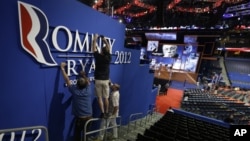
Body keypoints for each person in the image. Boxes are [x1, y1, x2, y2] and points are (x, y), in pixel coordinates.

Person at [60, 62, 92, 141]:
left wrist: (62, 68)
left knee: (77, 136)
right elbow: (88, 81)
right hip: (89, 118)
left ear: (77, 85)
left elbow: (67, 80)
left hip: (81, 119)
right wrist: (83, 75)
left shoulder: (74, 91)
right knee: (86, 136)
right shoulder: (88, 90)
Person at [92, 34, 112, 118]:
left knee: (99, 98)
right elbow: (108, 47)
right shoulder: (109, 58)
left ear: (102, 52)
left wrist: (95, 39)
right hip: (106, 80)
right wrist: (104, 39)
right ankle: (106, 112)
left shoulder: (98, 57)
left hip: (98, 80)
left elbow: (93, 48)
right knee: (106, 98)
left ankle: (102, 113)